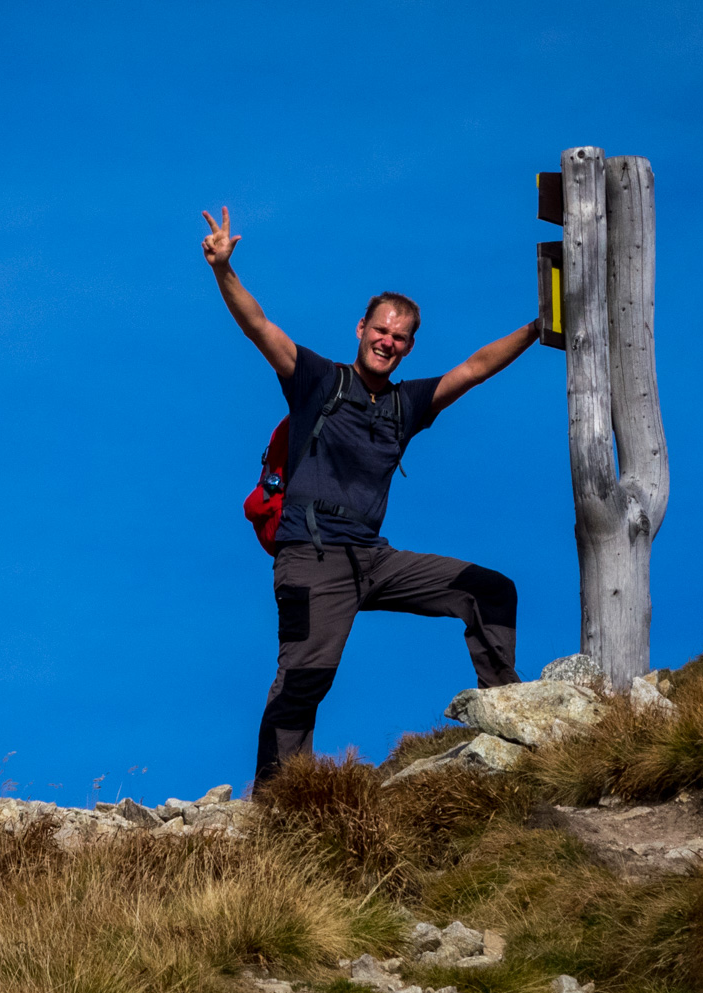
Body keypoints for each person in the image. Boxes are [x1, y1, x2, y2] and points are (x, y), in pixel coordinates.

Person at [200, 206, 542, 784]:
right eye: (380, 330)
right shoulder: (316, 381)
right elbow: (260, 326)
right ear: (361, 330)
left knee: (489, 589)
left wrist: (539, 327)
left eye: (400, 337)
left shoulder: (407, 405)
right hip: (312, 559)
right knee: (305, 677)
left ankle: (504, 707)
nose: (388, 341)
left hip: (372, 558)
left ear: (408, 348)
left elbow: (476, 368)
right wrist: (224, 270)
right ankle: (278, 801)